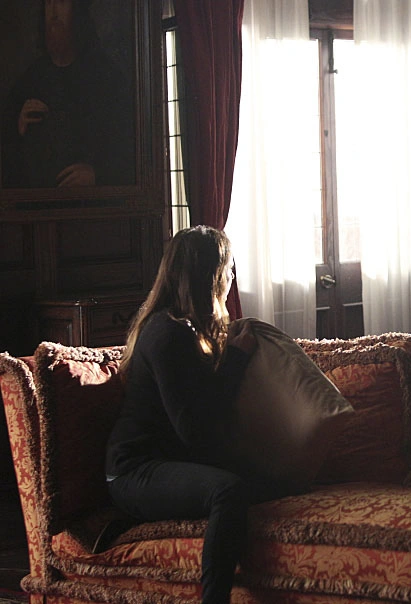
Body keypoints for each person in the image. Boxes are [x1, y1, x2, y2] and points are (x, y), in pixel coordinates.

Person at [105, 226, 272, 604]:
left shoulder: (188, 329)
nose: (231, 278)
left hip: (168, 460)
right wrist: (237, 360)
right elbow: (195, 433)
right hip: (134, 470)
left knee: (276, 480)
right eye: (228, 269)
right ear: (210, 277)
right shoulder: (167, 334)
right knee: (228, 491)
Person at [1, 0, 135, 187]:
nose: (54, 13)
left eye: (62, 2)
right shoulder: (30, 80)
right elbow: (9, 155)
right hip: (40, 200)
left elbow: (128, 149)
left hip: (92, 201)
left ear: (78, 11)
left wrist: (96, 175)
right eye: (49, 4)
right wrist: (18, 127)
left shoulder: (105, 77)